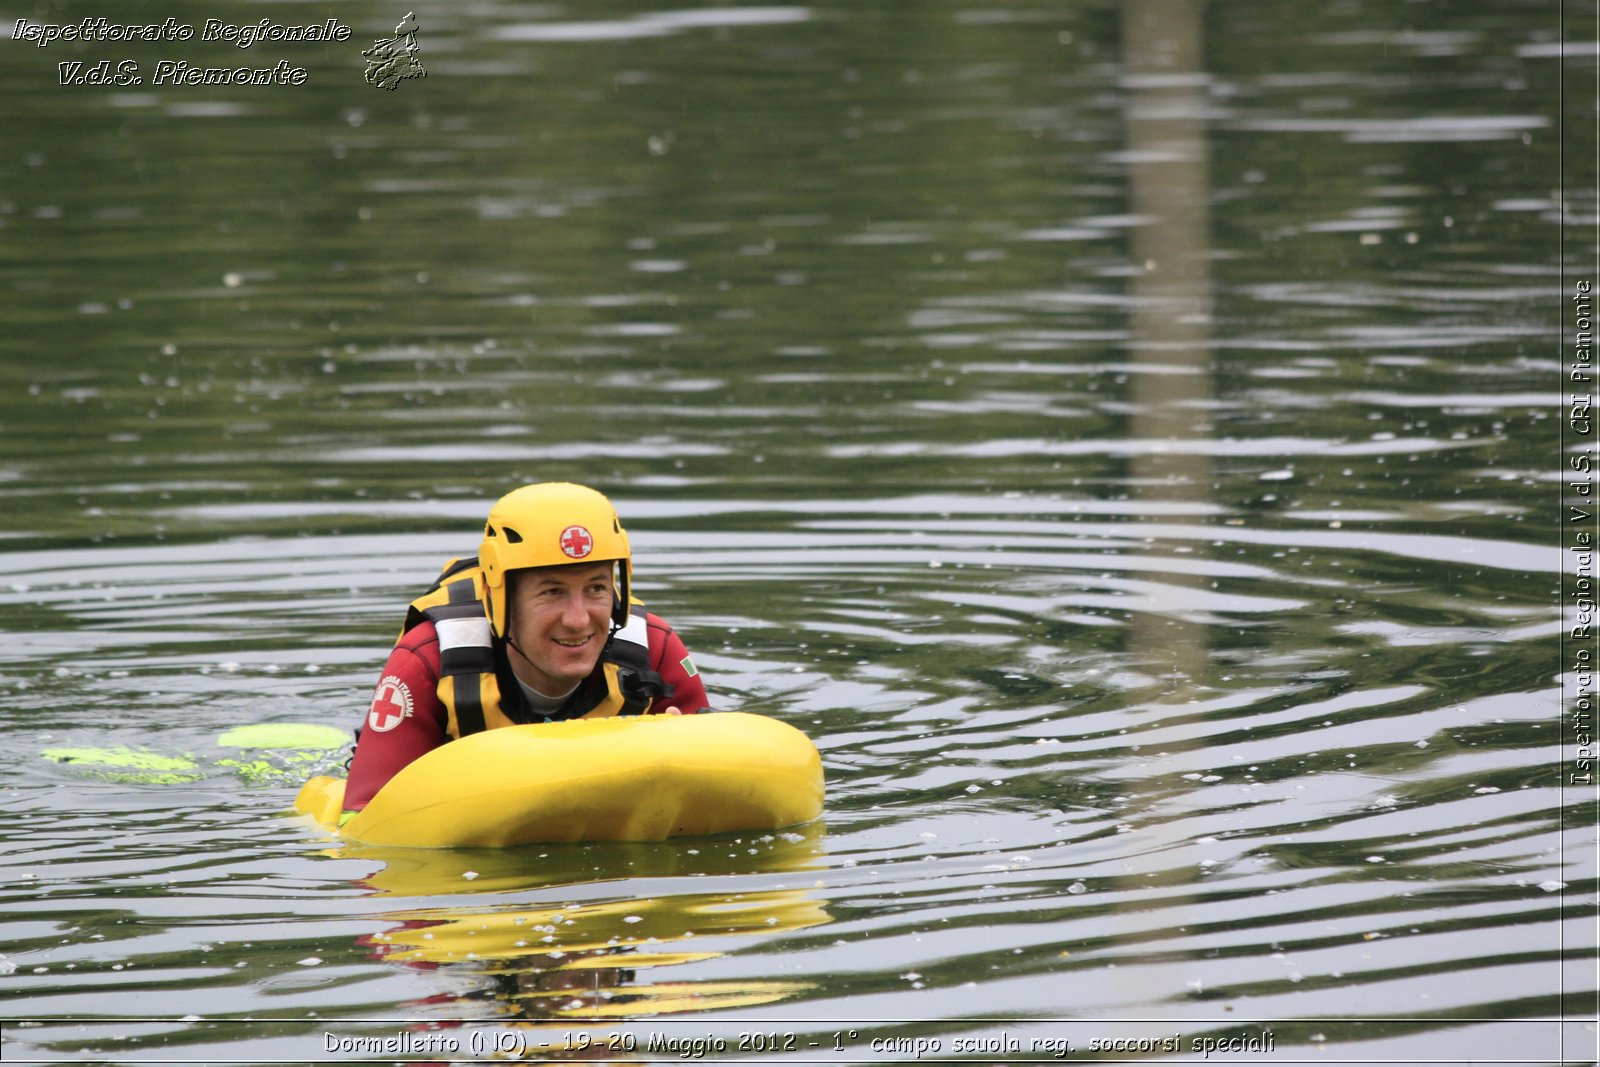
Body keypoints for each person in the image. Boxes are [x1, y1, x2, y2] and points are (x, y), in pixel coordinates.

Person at [343, 482, 708, 810]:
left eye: (596, 588)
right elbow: (360, 820)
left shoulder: (654, 648)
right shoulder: (427, 660)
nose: (579, 620)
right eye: (552, 592)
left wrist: (677, 759)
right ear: (499, 600)